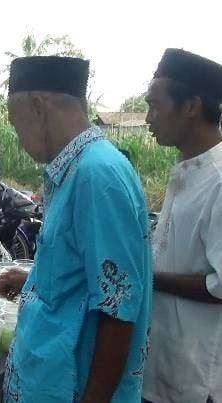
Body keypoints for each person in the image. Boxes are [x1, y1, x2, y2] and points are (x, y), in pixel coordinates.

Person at [0, 56, 151, 402]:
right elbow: (84, 273)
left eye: (15, 123)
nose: (19, 138)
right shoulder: (72, 170)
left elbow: (118, 309)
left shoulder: (97, 174)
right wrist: (33, 281)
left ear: (37, 106)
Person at [142, 49, 222, 403]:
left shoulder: (218, 180)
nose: (148, 118)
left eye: (155, 105)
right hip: (163, 367)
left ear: (191, 107)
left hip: (197, 378)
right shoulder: (188, 169)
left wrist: (148, 274)